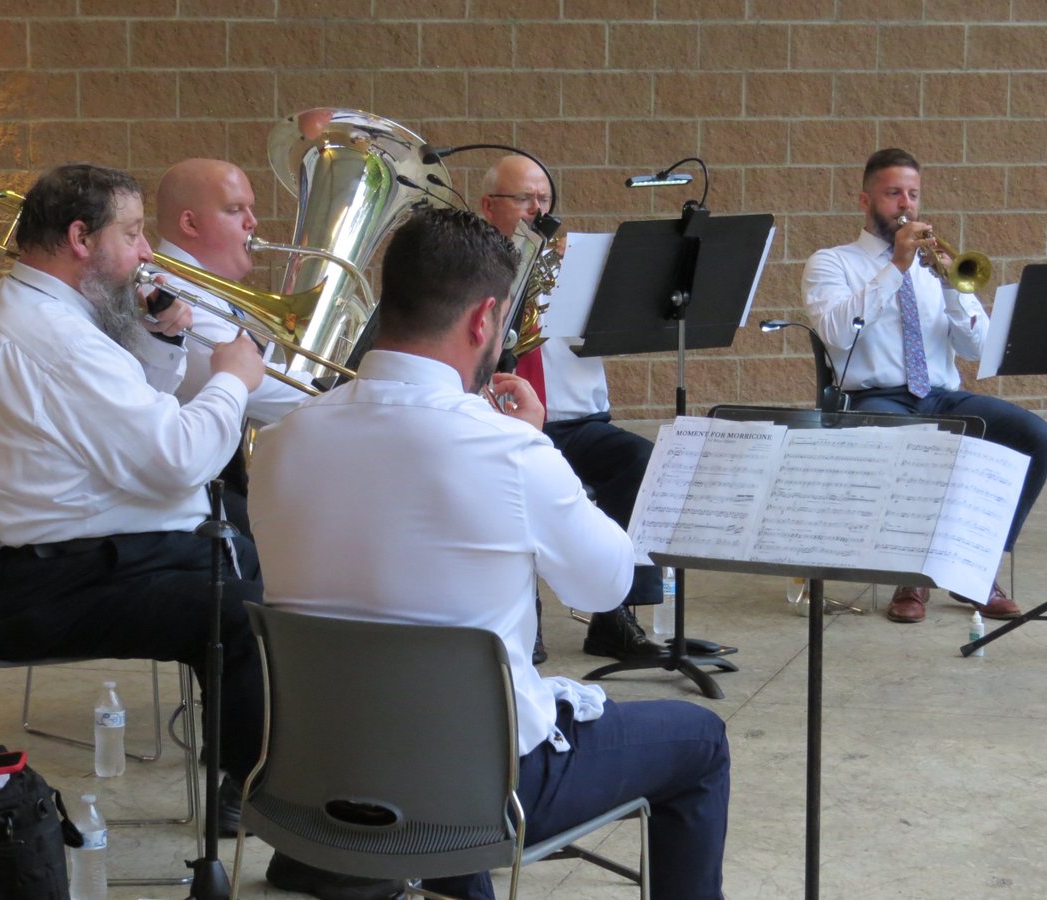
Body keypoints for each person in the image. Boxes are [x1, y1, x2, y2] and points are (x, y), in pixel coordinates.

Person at [248, 207, 731, 900]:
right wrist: (544, 450)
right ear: (483, 321)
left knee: (435, 716)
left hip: (319, 776)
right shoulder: (507, 450)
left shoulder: (287, 439)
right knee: (700, 741)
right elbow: (605, 587)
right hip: (480, 791)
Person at [0, 164, 268, 798]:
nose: (146, 251)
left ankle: (250, 760)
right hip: (49, 586)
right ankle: (251, 792)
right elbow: (176, 460)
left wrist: (167, 346)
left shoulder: (34, 309)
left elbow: (131, 429)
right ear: (82, 238)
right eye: (134, 233)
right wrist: (232, 380)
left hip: (44, 562)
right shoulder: (56, 339)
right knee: (241, 607)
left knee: (238, 547)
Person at [803, 147, 1047, 623]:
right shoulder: (832, 263)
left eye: (913, 194)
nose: (906, 204)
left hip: (941, 393)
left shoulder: (935, 267)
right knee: (922, 447)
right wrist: (895, 267)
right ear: (865, 200)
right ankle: (914, 576)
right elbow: (837, 332)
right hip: (873, 397)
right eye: (893, 193)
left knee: (1035, 436)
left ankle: (974, 565)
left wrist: (951, 288)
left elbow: (979, 348)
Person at [481, 154, 665, 663]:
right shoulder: (471, 269)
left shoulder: (574, 264)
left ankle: (615, 615)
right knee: (505, 491)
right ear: (488, 206)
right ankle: (525, 619)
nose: (537, 210)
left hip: (578, 422)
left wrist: (601, 290)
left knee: (641, 462)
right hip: (500, 421)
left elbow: (618, 333)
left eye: (543, 199)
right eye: (523, 199)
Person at [154, 158, 313, 533]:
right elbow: (264, 388)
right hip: (186, 506)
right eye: (234, 209)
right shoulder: (171, 292)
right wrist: (353, 391)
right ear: (189, 223)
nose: (252, 222)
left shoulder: (214, 291)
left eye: (251, 208)